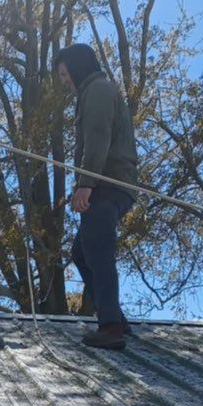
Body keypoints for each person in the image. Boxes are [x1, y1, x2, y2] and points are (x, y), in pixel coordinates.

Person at [54, 44, 137, 350]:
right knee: (81, 251)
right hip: (107, 183)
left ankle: (111, 327)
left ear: (77, 68)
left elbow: (98, 136)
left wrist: (86, 183)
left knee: (97, 247)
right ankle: (116, 317)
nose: (64, 81)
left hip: (108, 183)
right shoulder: (92, 92)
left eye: (65, 74)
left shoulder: (98, 90)